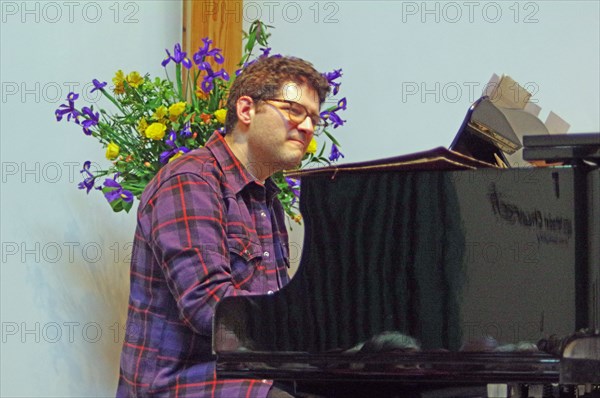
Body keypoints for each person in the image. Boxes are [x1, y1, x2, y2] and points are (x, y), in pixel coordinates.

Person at [116, 55, 330, 397]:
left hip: (250, 375)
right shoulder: (190, 180)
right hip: (183, 383)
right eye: (293, 110)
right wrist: (309, 326)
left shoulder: (266, 198)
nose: (306, 126)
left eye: (314, 119)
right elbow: (209, 307)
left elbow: (274, 304)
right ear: (246, 110)